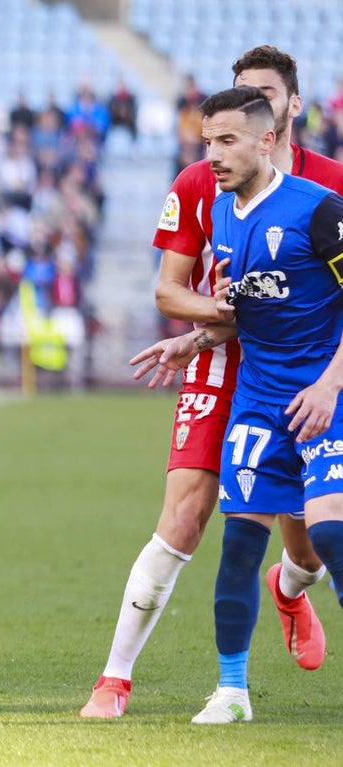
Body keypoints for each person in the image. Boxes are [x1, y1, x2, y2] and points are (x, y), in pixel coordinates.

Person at [80, 46, 343, 719]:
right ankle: (124, 679)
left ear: (285, 109)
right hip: (235, 363)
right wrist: (203, 325)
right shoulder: (208, 186)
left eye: (261, 96)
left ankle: (290, 586)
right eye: (235, 99)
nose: (221, 145)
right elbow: (180, 290)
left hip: (311, 372)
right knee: (195, 519)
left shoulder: (326, 193)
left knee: (314, 542)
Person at [186, 85, 343, 723]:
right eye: (208, 143)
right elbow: (250, 311)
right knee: (240, 549)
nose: (214, 156)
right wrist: (192, 337)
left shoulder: (320, 210)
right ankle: (231, 691)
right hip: (259, 400)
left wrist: (331, 383)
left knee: (331, 533)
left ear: (266, 139)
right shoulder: (223, 212)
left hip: (326, 395)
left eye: (227, 141)